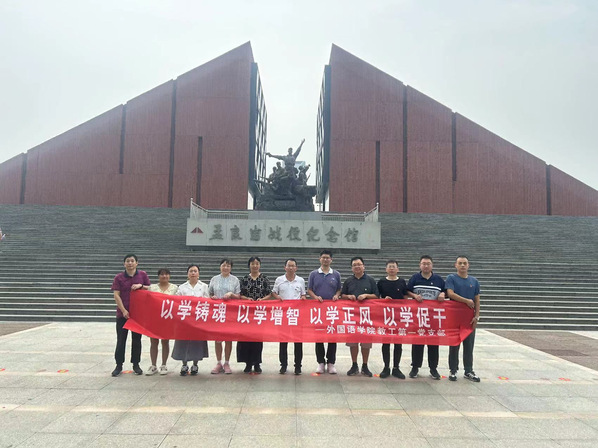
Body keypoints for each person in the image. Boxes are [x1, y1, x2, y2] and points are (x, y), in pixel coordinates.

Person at [406, 255, 445, 380]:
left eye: (428, 263)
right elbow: (407, 291)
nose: (426, 266)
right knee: (417, 342)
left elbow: (445, 291)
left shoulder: (438, 279)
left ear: (432, 265)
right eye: (424, 263)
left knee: (433, 343)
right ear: (420, 265)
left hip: (433, 318)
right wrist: (414, 296)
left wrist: (443, 293)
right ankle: (415, 367)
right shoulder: (415, 278)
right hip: (418, 317)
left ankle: (433, 368)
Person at [110, 254, 150, 377]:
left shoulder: (142, 275)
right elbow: (116, 295)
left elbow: (150, 289)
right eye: (128, 261)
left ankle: (136, 364)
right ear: (124, 264)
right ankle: (119, 365)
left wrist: (141, 286)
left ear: (137, 263)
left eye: (132, 261)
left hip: (137, 315)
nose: (130, 263)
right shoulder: (119, 277)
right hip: (122, 315)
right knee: (121, 340)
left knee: (136, 340)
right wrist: (123, 310)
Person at [341, 256, 379, 377]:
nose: (357, 267)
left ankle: (365, 365)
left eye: (359, 264)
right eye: (354, 265)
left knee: (366, 342)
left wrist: (366, 295)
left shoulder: (370, 280)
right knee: (353, 342)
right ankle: (354, 364)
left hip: (366, 316)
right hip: (352, 317)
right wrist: (348, 296)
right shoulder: (348, 281)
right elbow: (342, 295)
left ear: (364, 266)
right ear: (351, 268)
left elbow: (377, 295)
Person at [446, 255, 481, 382]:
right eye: (460, 263)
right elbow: (450, 293)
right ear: (455, 265)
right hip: (455, 318)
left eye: (464, 263)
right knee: (454, 345)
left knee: (469, 345)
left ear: (468, 265)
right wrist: (466, 301)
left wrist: (477, 316)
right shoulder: (451, 278)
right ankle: (453, 370)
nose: (462, 265)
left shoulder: (474, 281)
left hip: (469, 319)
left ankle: (468, 370)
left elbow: (477, 300)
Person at [307, 249, 341, 374]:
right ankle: (320, 362)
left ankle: (331, 362)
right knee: (319, 335)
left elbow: (339, 289)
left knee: (332, 336)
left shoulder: (336, 274)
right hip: (318, 310)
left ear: (331, 260)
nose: (325, 259)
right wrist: (315, 297)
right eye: (323, 257)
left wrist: (336, 295)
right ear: (319, 259)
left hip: (332, 310)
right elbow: (309, 290)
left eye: (328, 258)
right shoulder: (313, 274)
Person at [172, 264, 210, 376]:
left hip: (198, 320)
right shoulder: (181, 287)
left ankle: (195, 365)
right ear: (187, 274)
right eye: (191, 271)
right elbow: (177, 301)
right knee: (183, 342)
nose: (193, 273)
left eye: (195, 271)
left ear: (198, 274)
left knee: (196, 343)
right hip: (185, 320)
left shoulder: (204, 286)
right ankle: (184, 364)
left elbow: (207, 301)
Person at [271, 258, 306, 375]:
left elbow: (303, 295)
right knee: (283, 341)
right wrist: (277, 297)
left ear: (296, 268)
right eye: (289, 266)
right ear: (285, 267)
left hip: (296, 315)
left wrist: (303, 298)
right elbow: (274, 292)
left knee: (298, 341)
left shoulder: (300, 280)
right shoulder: (279, 280)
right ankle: (283, 365)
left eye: (293, 266)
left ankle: (298, 366)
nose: (291, 268)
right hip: (283, 314)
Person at [237, 256, 271, 374]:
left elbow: (269, 294)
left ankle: (257, 363)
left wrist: (262, 300)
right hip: (246, 313)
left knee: (257, 339)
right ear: (249, 265)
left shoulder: (264, 279)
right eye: (252, 263)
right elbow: (240, 294)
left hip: (259, 313)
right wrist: (247, 299)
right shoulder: (244, 279)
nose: (255, 266)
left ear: (260, 265)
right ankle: (248, 363)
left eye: (257, 263)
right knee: (246, 338)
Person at [377, 259, 409, 379]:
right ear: (386, 269)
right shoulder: (381, 282)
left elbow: (405, 296)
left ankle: (396, 368)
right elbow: (377, 297)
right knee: (385, 342)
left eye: (393, 266)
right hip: (385, 316)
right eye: (389, 266)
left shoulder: (401, 281)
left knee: (398, 343)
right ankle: (386, 367)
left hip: (399, 316)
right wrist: (383, 300)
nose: (391, 268)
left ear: (397, 269)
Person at [209, 258, 241, 374]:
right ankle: (219, 363)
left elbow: (239, 296)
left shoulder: (235, 280)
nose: (225, 267)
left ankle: (227, 362)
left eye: (228, 266)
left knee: (228, 338)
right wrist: (212, 297)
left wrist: (231, 294)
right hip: (217, 312)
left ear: (231, 268)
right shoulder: (214, 279)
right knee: (217, 339)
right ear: (220, 266)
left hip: (229, 313)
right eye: (223, 265)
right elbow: (209, 293)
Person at [146, 268, 178, 376]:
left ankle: (164, 365)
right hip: (154, 318)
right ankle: (153, 365)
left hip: (167, 319)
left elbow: (177, 303)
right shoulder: (152, 287)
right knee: (153, 342)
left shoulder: (175, 288)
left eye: (166, 274)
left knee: (165, 342)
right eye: (162, 274)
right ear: (158, 276)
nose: (164, 276)